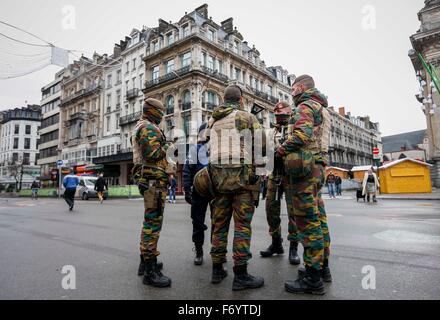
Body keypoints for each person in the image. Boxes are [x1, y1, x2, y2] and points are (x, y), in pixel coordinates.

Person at [206, 84, 266, 291]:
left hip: (218, 179)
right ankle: (240, 275)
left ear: (223, 100)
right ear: (240, 100)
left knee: (219, 225)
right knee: (242, 226)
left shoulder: (212, 120)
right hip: (242, 180)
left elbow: (206, 146)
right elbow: (263, 146)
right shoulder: (247, 117)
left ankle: (217, 269)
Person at [277, 75, 332, 295]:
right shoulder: (321, 107)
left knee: (308, 221)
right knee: (319, 219)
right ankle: (322, 268)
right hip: (318, 166)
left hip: (305, 169)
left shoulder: (304, 106)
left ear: (300, 87)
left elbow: (300, 135)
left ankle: (312, 279)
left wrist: (280, 150)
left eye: (292, 88)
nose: (291, 93)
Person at [131, 98, 172, 288]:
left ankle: (145, 262)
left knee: (150, 221)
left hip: (150, 179)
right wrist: (168, 146)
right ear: (152, 111)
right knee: (152, 224)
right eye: (160, 111)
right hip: (153, 180)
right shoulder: (148, 128)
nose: (162, 115)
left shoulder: (145, 126)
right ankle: (150, 270)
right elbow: (153, 154)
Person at [260, 101, 300, 265]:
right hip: (274, 174)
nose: (279, 118)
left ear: (289, 114)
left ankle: (293, 248)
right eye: (277, 116)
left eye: (282, 115)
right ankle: (276, 244)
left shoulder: (295, 129)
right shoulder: (271, 132)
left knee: (293, 213)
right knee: (271, 209)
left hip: (291, 176)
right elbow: (264, 151)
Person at [183, 123, 211, 266]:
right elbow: (187, 170)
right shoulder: (195, 149)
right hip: (199, 191)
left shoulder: (217, 149)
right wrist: (187, 189)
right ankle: (199, 251)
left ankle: (218, 252)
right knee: (197, 222)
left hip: (215, 192)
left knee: (219, 223)